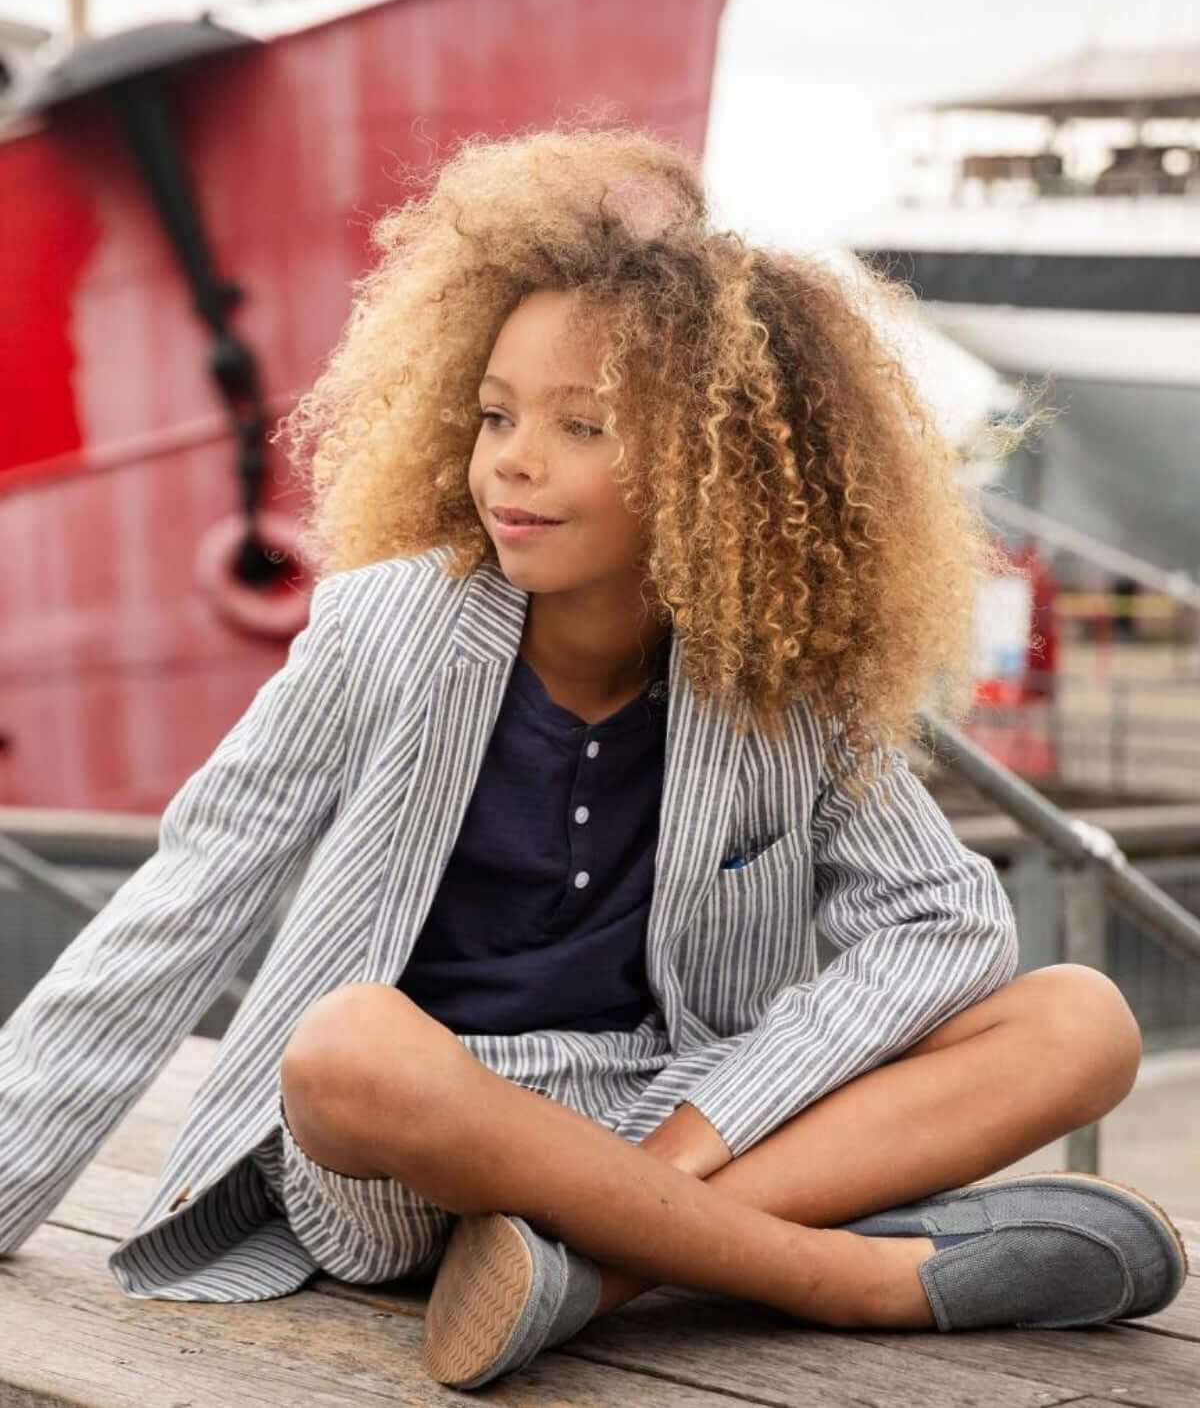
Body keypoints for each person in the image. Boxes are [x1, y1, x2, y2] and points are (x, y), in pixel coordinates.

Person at [0, 129, 1185, 1389]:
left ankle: (595, 1270)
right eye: (497, 415)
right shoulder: (386, 624)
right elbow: (189, 898)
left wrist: (682, 1148)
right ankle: (842, 1277)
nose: (514, 458)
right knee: (343, 1045)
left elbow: (947, 925)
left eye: (583, 426)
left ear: (713, 473)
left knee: (1081, 1018)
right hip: (419, 1149)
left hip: (675, 1111)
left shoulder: (781, 682)